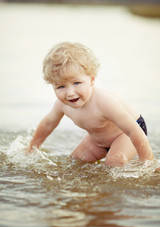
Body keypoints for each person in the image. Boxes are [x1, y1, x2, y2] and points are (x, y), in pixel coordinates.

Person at [26, 42, 154, 167]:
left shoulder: (104, 102)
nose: (70, 93)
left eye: (76, 83)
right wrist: (32, 147)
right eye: (60, 86)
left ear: (92, 80)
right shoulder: (61, 105)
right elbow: (48, 124)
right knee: (76, 162)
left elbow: (134, 131)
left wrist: (149, 163)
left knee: (114, 161)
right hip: (99, 139)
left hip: (128, 133)